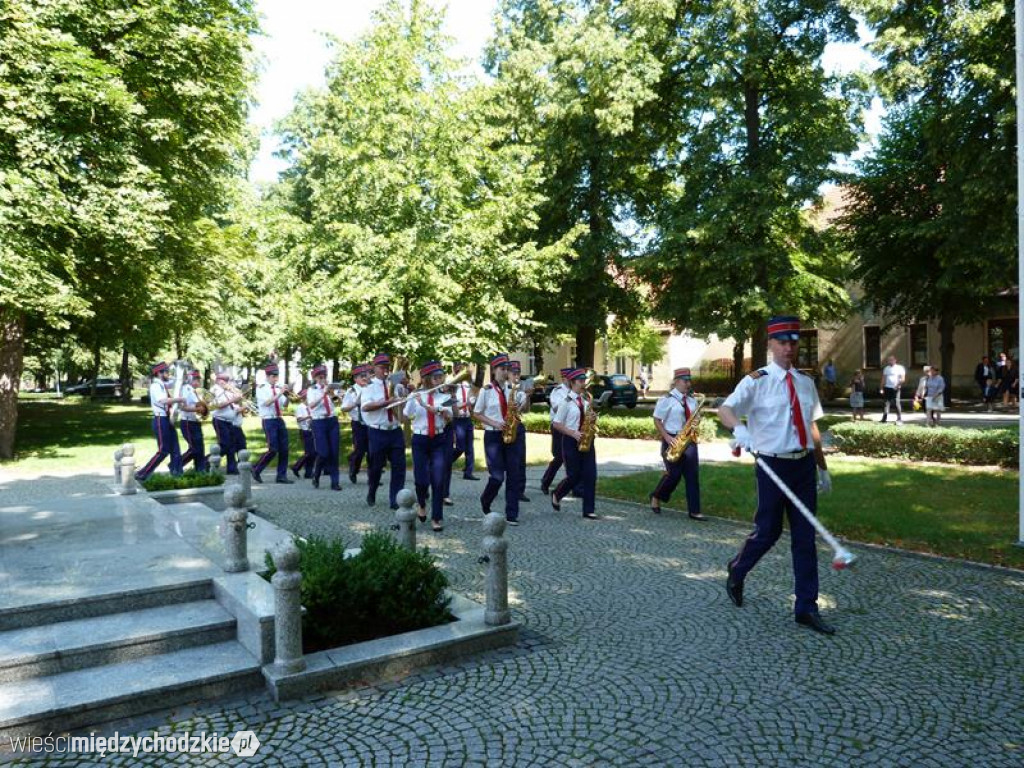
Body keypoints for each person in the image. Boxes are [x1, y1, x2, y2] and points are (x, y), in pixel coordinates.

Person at [719, 315, 835, 636]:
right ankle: (737, 569)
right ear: (770, 344)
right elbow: (726, 410)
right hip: (772, 466)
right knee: (768, 532)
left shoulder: (806, 382)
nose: (788, 348)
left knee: (804, 538)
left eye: (793, 342)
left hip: (802, 466)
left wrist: (822, 467)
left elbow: (812, 427)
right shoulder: (756, 380)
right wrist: (739, 428)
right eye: (782, 342)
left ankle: (806, 608)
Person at [649, 368, 704, 521]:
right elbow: (657, 420)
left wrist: (696, 421)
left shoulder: (692, 400)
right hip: (672, 439)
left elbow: (695, 418)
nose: (688, 384)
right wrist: (666, 437)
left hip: (689, 440)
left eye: (689, 381)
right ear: (676, 381)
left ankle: (695, 511)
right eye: (685, 381)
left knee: (692, 476)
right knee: (673, 475)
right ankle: (656, 496)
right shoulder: (666, 399)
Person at [473, 353, 521, 525]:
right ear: (494, 370)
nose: (505, 372)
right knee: (497, 477)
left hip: (510, 434)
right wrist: (495, 423)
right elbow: (477, 413)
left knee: (514, 474)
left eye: (507, 369)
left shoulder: (511, 390)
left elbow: (521, 410)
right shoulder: (486, 391)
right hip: (493, 435)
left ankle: (512, 513)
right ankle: (486, 499)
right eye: (502, 369)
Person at [404, 361, 453, 532]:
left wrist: (435, 409)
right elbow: (406, 414)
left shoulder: (445, 397)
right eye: (436, 377)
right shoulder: (416, 395)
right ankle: (422, 504)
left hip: (439, 439)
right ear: (427, 379)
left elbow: (449, 417)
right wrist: (411, 398)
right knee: (421, 479)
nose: (440, 380)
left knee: (438, 480)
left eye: (441, 377)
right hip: (420, 439)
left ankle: (437, 517)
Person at [550, 368, 599, 520]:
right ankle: (557, 494)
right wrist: (572, 433)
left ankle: (588, 510)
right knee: (574, 476)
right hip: (571, 441)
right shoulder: (566, 402)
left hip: (586, 440)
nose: (583, 384)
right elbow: (557, 423)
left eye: (584, 381)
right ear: (572, 383)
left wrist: (592, 422)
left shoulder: (585, 401)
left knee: (591, 475)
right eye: (580, 381)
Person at [361, 353, 407, 509]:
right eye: (382, 367)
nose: (385, 370)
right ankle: (372, 490)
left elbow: (403, 403)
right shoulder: (369, 386)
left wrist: (403, 393)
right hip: (377, 431)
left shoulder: (396, 383)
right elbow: (365, 407)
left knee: (399, 467)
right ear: (374, 368)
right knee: (376, 467)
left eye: (387, 367)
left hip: (394, 429)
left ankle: (395, 500)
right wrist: (386, 402)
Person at [135, 362, 185, 482]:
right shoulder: (155, 386)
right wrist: (179, 399)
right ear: (159, 373)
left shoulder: (162, 384)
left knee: (175, 448)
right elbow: (162, 400)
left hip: (167, 419)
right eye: (166, 372)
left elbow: (176, 382)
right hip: (160, 419)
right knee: (163, 450)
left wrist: (181, 373)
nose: (168, 374)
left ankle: (177, 474)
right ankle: (143, 473)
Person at [251, 364, 293, 484]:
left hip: (279, 419)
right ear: (268, 376)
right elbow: (267, 403)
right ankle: (256, 468)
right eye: (274, 376)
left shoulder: (278, 388)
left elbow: (284, 405)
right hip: (268, 420)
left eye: (277, 376)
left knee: (284, 449)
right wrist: (280, 393)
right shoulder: (261, 388)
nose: (276, 379)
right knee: (273, 448)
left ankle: (281, 475)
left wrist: (288, 395)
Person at [305, 364, 342, 490]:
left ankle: (335, 482)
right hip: (319, 422)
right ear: (315, 378)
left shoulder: (329, 388)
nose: (323, 378)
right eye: (320, 377)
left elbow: (337, 401)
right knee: (323, 452)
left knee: (334, 452)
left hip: (332, 420)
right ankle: (316, 474)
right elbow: (312, 406)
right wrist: (323, 395)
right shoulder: (312, 390)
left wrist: (333, 393)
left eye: (324, 376)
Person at [540, 368, 574, 495]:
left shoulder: (576, 391)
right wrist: (570, 398)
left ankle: (576, 486)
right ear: (564, 379)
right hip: (559, 426)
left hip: (571, 426)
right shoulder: (557, 391)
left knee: (573, 456)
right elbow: (555, 407)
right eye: (570, 379)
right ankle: (546, 481)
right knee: (559, 456)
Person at [448, 362, 479, 481]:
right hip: (457, 418)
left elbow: (472, 395)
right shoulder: (450, 382)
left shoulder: (466, 383)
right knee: (460, 447)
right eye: (457, 366)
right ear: (453, 367)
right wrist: (466, 404)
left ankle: (468, 472)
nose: (459, 368)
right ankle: (447, 462)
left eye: (461, 366)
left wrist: (472, 402)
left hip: (467, 417)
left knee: (470, 447)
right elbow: (451, 404)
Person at [210, 371, 243, 475]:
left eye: (227, 380)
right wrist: (233, 399)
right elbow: (218, 405)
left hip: (229, 421)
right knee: (225, 444)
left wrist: (238, 398)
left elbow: (234, 403)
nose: (226, 382)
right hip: (220, 420)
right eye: (223, 380)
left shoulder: (227, 390)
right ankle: (208, 461)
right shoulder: (215, 390)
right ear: (218, 380)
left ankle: (231, 468)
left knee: (232, 445)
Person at [507, 360, 531, 503]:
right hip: (505, 426)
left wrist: (527, 396)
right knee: (507, 461)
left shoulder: (521, 391)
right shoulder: (503, 389)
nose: (516, 376)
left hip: (518, 425)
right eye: (514, 373)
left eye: (518, 373)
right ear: (508, 374)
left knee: (520, 459)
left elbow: (526, 410)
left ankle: (519, 490)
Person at [342, 364, 370, 484]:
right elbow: (343, 408)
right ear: (355, 379)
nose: (365, 378)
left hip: (371, 423)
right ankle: (354, 469)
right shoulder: (351, 391)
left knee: (373, 451)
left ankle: (372, 476)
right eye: (361, 376)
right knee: (359, 450)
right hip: (358, 423)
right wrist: (355, 403)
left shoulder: (370, 388)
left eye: (366, 375)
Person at [178, 369, 208, 472]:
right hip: (187, 422)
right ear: (191, 379)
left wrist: (204, 408)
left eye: (198, 379)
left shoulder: (195, 391)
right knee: (194, 448)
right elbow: (182, 407)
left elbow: (198, 404)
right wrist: (198, 409)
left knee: (200, 448)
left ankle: (200, 469)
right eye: (196, 379)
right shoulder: (186, 389)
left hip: (195, 421)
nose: (198, 382)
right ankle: (176, 465)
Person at [290, 390, 316, 480]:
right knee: (309, 452)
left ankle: (308, 472)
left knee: (314, 453)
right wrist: (309, 417)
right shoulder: (300, 407)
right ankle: (296, 467)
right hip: (305, 431)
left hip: (312, 430)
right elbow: (299, 419)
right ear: (305, 398)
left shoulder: (311, 407)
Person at [880, 354, 906, 424]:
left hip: (896, 388)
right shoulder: (886, 368)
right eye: (889, 360)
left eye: (891, 360)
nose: (890, 361)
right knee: (886, 403)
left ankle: (899, 418)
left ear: (895, 360)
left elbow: (903, 379)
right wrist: (881, 388)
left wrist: (897, 386)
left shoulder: (900, 368)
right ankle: (884, 418)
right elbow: (883, 379)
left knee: (896, 403)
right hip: (887, 388)